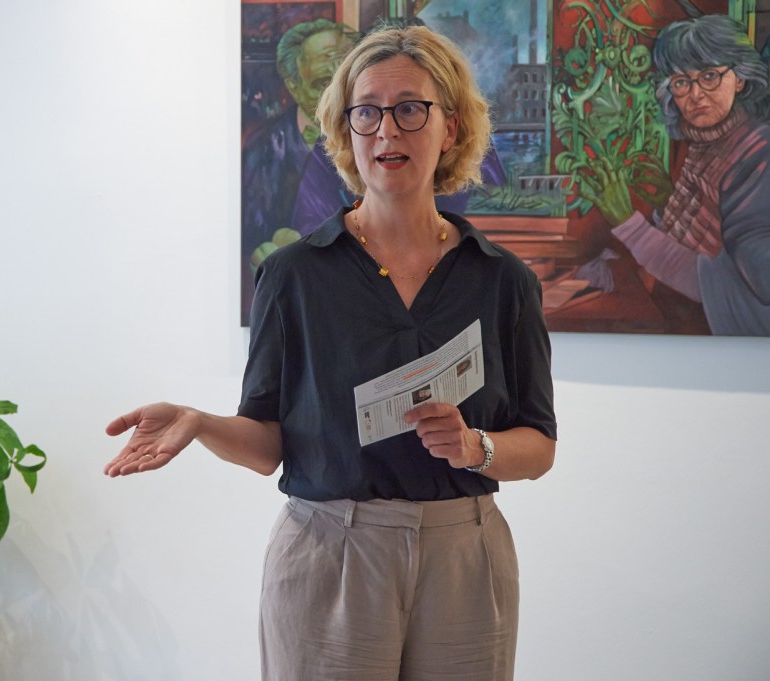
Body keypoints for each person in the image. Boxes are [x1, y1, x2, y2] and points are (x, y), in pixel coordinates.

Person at [106, 23, 557, 681]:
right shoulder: (294, 274)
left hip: (466, 554)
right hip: (330, 550)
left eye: (410, 109)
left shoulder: (502, 279)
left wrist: (474, 447)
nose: (386, 130)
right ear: (346, 130)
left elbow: (539, 446)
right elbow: (268, 444)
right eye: (365, 112)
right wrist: (199, 423)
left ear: (450, 127)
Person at [581, 14, 770, 335]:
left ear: (740, 78)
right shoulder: (706, 139)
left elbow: (730, 281)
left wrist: (628, 223)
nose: (695, 94)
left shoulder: (758, 154)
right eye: (682, 82)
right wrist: (669, 203)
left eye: (709, 76)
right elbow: (707, 241)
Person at [241, 18, 357, 323]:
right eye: (323, 84)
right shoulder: (262, 146)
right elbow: (250, 234)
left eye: (343, 81)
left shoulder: (377, 140)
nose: (337, 97)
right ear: (293, 86)